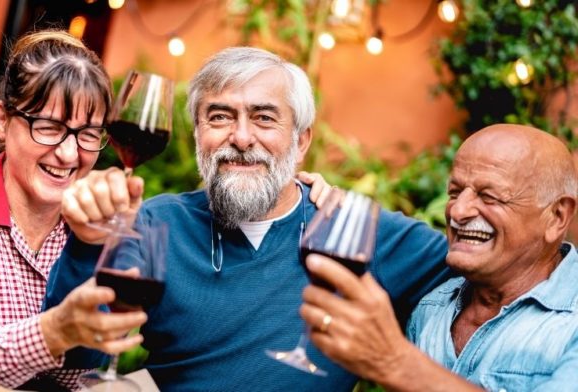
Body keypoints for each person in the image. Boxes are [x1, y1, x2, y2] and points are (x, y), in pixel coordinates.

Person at [44, 46, 452, 391]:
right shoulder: (156, 222)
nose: (241, 138)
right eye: (220, 117)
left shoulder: (352, 227)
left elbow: (480, 271)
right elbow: (75, 356)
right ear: (197, 134)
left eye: (264, 117)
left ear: (301, 140)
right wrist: (88, 242)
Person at [0, 30, 150, 392]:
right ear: (3, 119)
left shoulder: (95, 225)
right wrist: (54, 331)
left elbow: (84, 372)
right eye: (49, 127)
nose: (69, 155)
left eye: (88, 134)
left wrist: (91, 246)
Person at [301, 124, 578, 391]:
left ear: (557, 216)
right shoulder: (431, 307)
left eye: (489, 196)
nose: (458, 212)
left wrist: (397, 363)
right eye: (455, 193)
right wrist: (302, 199)